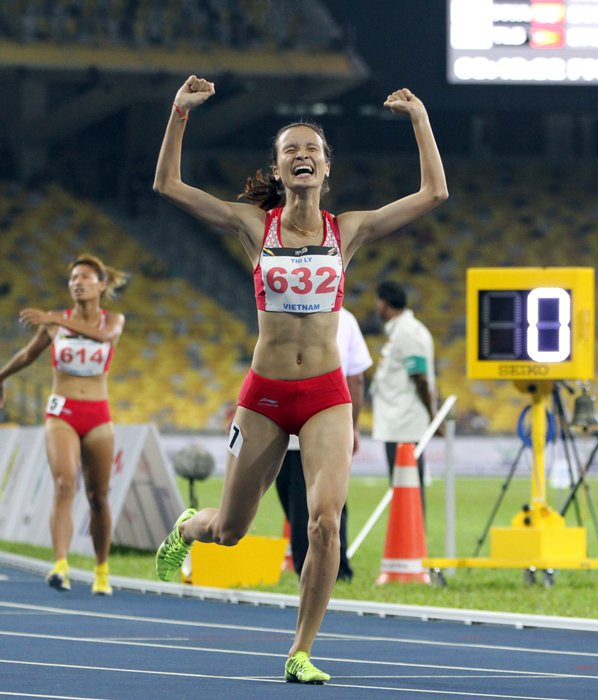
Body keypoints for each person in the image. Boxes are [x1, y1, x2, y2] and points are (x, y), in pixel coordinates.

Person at [152, 75, 447, 684]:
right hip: (263, 397)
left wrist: (420, 119)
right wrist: (179, 112)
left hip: (324, 397)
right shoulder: (253, 226)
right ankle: (189, 526)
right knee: (230, 530)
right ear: (280, 169)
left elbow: (434, 193)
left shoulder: (349, 230)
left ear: (326, 169)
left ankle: (300, 651)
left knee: (324, 522)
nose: (303, 155)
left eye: (313, 148)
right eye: (292, 150)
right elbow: (168, 185)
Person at [0, 254, 127, 596]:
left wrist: (53, 318)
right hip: (62, 412)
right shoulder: (55, 323)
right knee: (64, 484)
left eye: (85, 277)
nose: (77, 283)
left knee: (98, 497)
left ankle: (101, 570)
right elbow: (27, 354)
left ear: (101, 285)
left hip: (98, 415)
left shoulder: (113, 320)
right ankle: (60, 565)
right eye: (73, 278)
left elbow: (103, 337)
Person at [275, 307, 372, 582]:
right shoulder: (346, 318)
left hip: (291, 424)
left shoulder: (283, 311)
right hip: (329, 424)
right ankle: (334, 568)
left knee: (299, 501)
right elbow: (356, 378)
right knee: (329, 500)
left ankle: (314, 570)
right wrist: (351, 425)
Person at [371, 280, 438, 512]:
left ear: (384, 302)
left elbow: (419, 375)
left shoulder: (407, 331)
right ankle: (410, 533)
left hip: (404, 423)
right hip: (398, 421)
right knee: (404, 488)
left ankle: (414, 534)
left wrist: (432, 414)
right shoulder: (402, 330)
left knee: (408, 489)